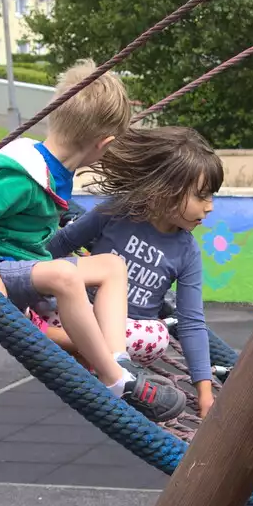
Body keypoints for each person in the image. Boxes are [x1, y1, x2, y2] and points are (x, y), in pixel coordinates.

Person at [0, 60, 185, 421]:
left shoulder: (53, 169)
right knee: (66, 276)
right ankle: (115, 381)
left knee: (112, 266)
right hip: (0, 267)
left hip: (28, 264)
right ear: (104, 144)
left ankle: (118, 359)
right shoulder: (26, 177)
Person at [44, 126, 221, 417]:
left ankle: (66, 341)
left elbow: (190, 322)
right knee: (51, 285)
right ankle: (81, 346)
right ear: (166, 190)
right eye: (202, 196)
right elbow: (64, 242)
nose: (210, 207)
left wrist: (204, 390)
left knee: (157, 338)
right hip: (80, 311)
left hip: (129, 333)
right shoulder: (119, 211)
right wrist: (24, 269)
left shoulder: (187, 252)